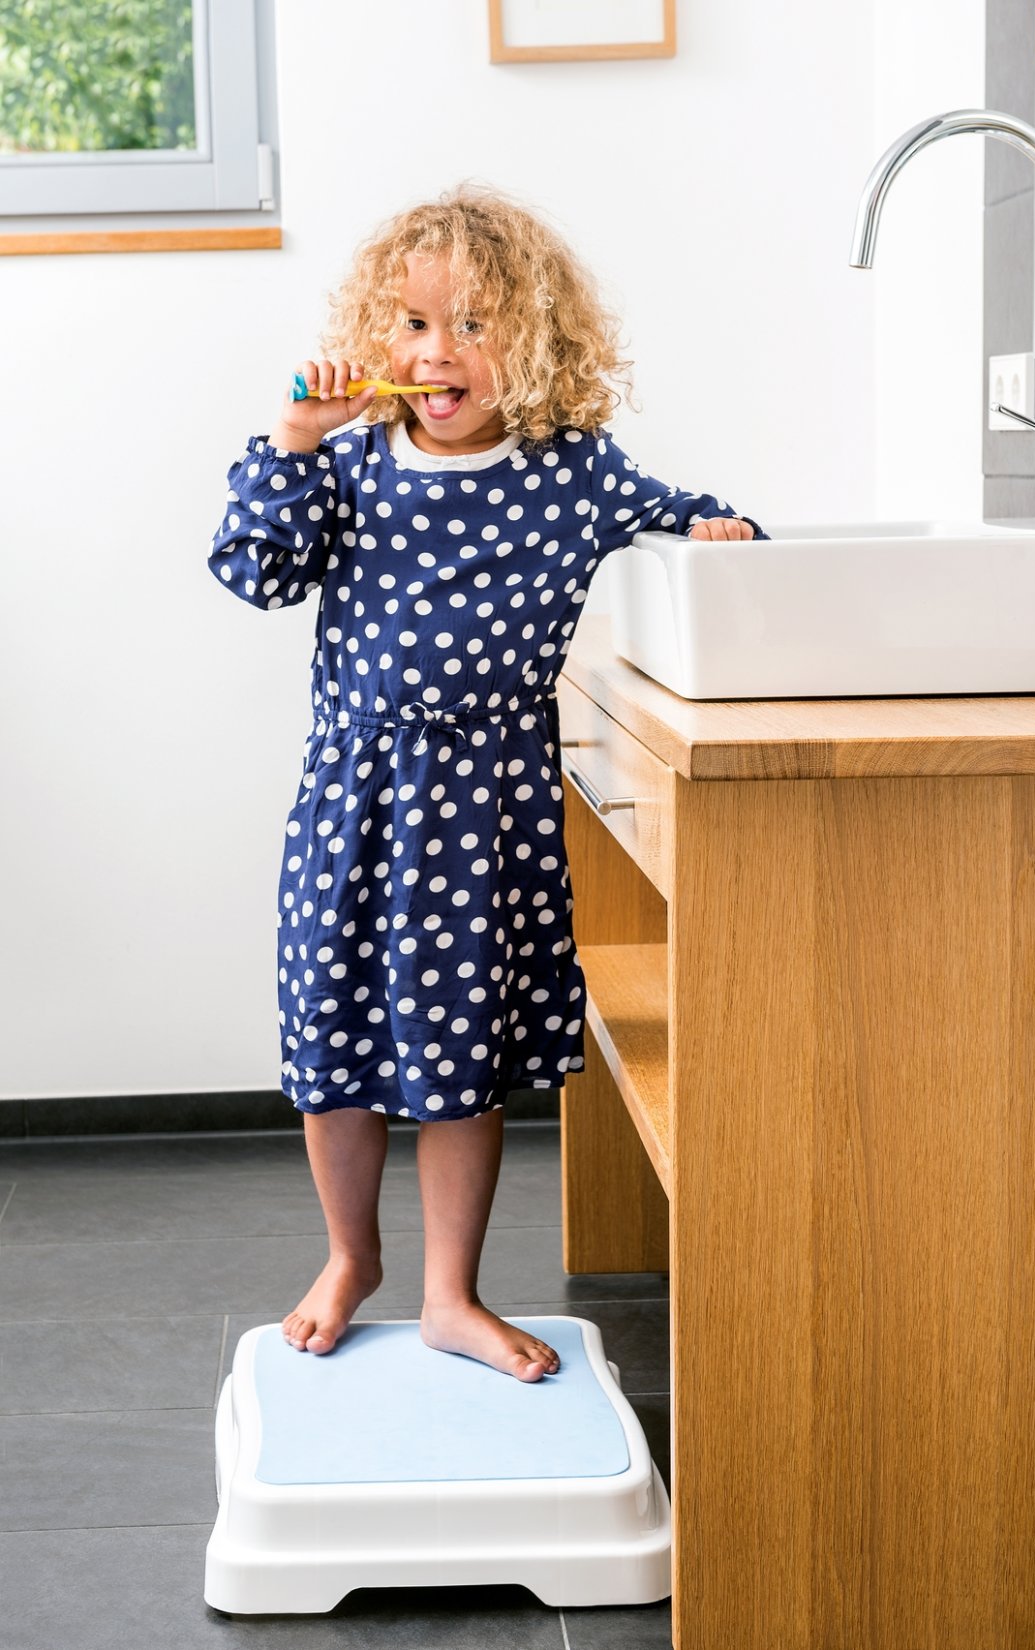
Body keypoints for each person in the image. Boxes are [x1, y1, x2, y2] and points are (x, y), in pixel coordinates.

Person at [208, 186, 768, 1383]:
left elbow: (691, 517)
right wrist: (294, 439)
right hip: (356, 803)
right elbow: (256, 571)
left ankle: (450, 1293)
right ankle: (349, 1257)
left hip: (484, 815)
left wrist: (722, 529)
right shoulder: (350, 464)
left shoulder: (575, 473)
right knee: (333, 1042)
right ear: (379, 340)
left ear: (538, 343)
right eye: (414, 326)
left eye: (473, 325)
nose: (438, 352)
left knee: (460, 1064)